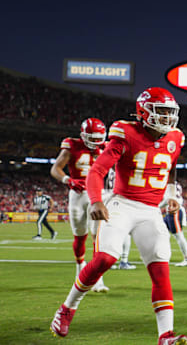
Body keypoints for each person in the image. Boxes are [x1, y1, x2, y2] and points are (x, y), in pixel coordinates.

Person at [51, 87, 187, 344]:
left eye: (171, 112)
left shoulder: (175, 138)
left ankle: (165, 335)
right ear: (143, 112)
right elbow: (96, 171)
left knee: (160, 268)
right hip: (122, 204)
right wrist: (95, 200)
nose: (168, 118)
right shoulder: (126, 133)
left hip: (150, 210)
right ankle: (67, 308)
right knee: (105, 258)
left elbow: (170, 171)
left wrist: (172, 195)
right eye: (162, 112)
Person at [50, 118, 111, 291]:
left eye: (98, 138)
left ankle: (97, 279)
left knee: (97, 236)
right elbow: (55, 168)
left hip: (98, 195)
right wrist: (68, 180)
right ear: (83, 135)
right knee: (80, 235)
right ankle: (79, 268)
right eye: (91, 138)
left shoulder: (106, 147)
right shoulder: (72, 145)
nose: (95, 142)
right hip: (77, 195)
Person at [160, 182, 187, 267]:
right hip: (171, 210)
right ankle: (163, 255)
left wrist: (157, 206)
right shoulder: (175, 184)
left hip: (174, 210)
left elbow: (168, 198)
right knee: (161, 233)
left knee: (179, 235)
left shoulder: (168, 184)